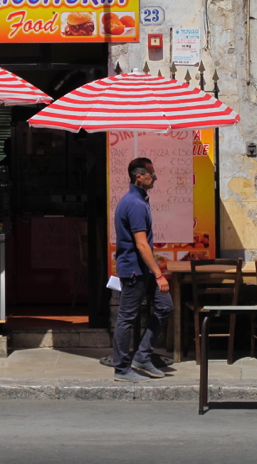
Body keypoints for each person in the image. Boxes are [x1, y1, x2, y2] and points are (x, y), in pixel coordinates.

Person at [112, 157, 174, 382]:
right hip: (135, 271)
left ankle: (142, 356)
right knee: (126, 318)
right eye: (151, 174)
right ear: (139, 176)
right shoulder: (135, 204)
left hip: (142, 270)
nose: (154, 177)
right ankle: (121, 368)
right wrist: (159, 274)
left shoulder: (137, 201)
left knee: (165, 306)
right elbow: (140, 244)